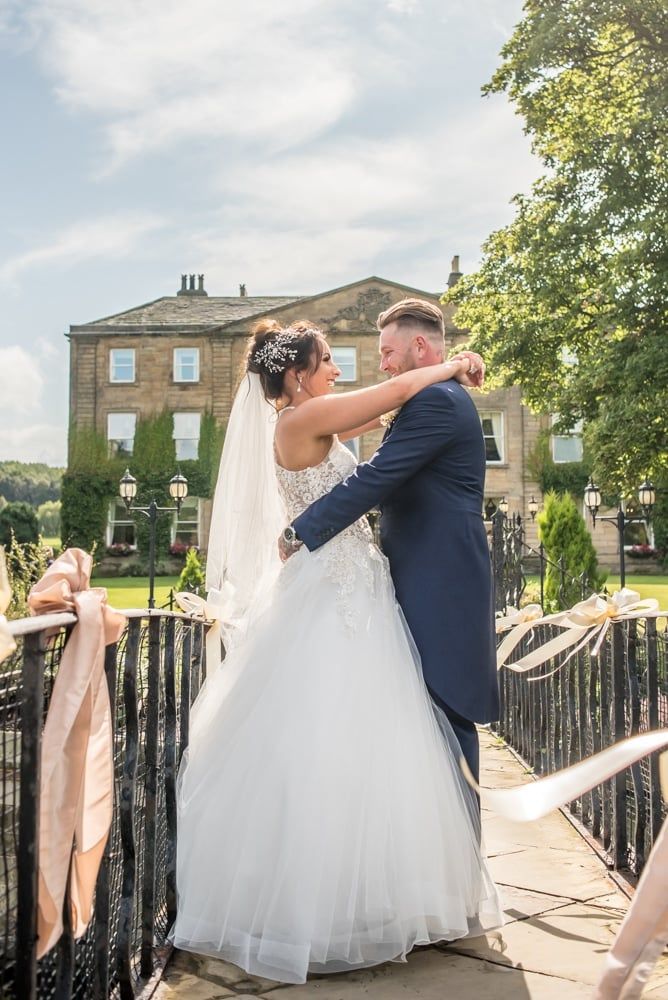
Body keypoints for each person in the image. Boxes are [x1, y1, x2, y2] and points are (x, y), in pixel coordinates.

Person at [170, 318, 502, 985]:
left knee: (366, 736)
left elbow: (378, 441)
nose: (341, 370)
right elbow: (395, 399)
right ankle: (344, 899)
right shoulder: (308, 417)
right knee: (336, 734)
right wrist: (450, 365)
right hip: (337, 589)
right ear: (297, 375)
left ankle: (373, 889)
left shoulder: (310, 419)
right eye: (328, 361)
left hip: (352, 584)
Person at [281, 299, 499, 784]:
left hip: (440, 580)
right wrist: (461, 362)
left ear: (419, 346)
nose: (379, 363)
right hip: (418, 573)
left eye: (385, 351)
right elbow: (381, 404)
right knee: (421, 718)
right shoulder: (426, 396)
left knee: (446, 713)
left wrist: (302, 529)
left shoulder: (438, 400)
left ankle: (459, 851)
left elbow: (377, 477)